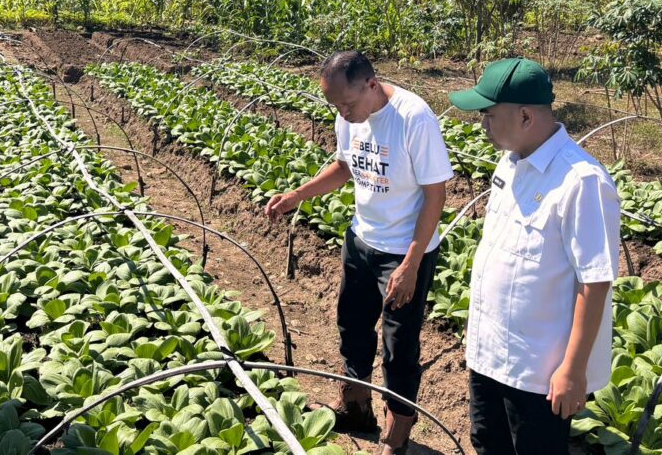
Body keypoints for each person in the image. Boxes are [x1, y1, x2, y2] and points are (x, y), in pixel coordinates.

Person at [265, 51, 453, 455]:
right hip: (361, 239)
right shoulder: (348, 114)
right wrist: (295, 196)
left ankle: (396, 434)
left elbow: (436, 196)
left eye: (347, 104)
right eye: (336, 106)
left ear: (371, 84)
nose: (343, 114)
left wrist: (411, 263)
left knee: (399, 346)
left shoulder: (413, 119)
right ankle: (355, 407)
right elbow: (345, 167)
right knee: (351, 324)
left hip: (404, 252)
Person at [448, 58, 620, 455]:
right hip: (489, 354)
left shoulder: (582, 182)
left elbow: (595, 282)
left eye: (488, 115)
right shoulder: (511, 162)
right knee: (487, 443)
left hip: (538, 372)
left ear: (525, 116)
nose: (483, 125)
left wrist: (573, 370)